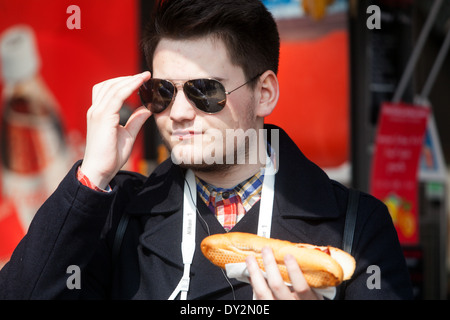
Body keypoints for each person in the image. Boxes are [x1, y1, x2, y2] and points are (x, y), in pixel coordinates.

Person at [0, 0, 413, 300]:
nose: (178, 112)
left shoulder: (356, 225)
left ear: (264, 93)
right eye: (161, 92)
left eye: (204, 91)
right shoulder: (119, 214)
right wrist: (90, 175)